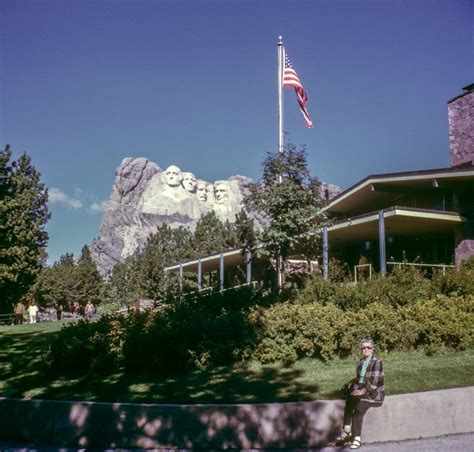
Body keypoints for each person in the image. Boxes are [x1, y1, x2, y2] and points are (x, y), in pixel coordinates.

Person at [336, 338, 385, 449]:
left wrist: (361, 391)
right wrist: (351, 383)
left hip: (374, 394)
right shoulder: (360, 362)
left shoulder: (377, 362)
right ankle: (347, 430)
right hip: (364, 391)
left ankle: (356, 439)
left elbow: (375, 382)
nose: (366, 350)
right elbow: (359, 379)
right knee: (350, 398)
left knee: (359, 408)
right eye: (363, 348)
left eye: (368, 347)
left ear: (372, 349)